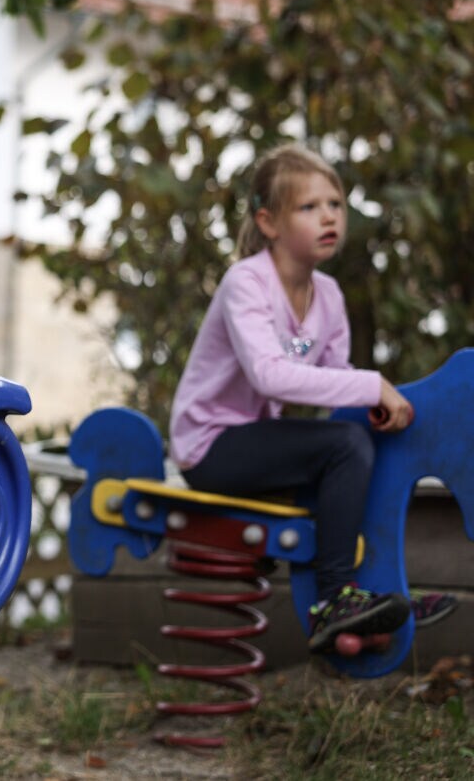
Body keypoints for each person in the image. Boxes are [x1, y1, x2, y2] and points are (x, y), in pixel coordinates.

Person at [168, 144, 456, 653]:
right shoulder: (247, 282)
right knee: (344, 445)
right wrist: (371, 385)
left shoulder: (328, 296)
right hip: (210, 445)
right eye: (309, 207)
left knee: (360, 439)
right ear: (269, 222)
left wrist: (374, 406)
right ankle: (333, 600)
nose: (328, 216)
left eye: (336, 205)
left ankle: (380, 589)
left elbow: (333, 383)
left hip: (259, 442)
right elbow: (269, 376)